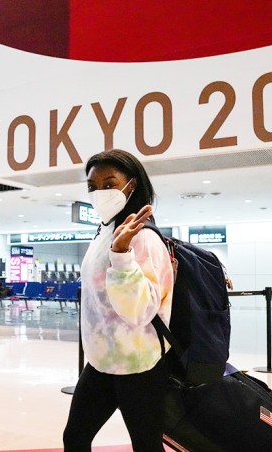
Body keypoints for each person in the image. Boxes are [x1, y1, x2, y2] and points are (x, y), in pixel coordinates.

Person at [63, 149, 174, 451]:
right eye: (93, 186)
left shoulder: (145, 239)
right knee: (74, 438)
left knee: (146, 446)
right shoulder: (104, 232)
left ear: (132, 185)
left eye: (109, 184)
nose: (100, 193)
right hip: (101, 361)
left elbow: (139, 312)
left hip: (138, 365)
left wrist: (122, 255)